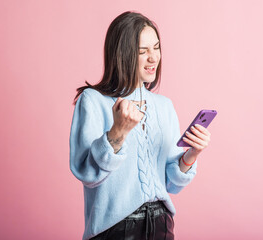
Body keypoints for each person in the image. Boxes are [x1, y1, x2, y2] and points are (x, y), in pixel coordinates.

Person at [70, 11, 211, 240]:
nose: (153, 58)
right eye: (142, 51)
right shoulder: (93, 100)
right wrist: (117, 133)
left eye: (156, 48)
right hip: (115, 229)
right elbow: (86, 173)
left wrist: (192, 153)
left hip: (162, 225)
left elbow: (170, 183)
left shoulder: (164, 106)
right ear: (122, 54)